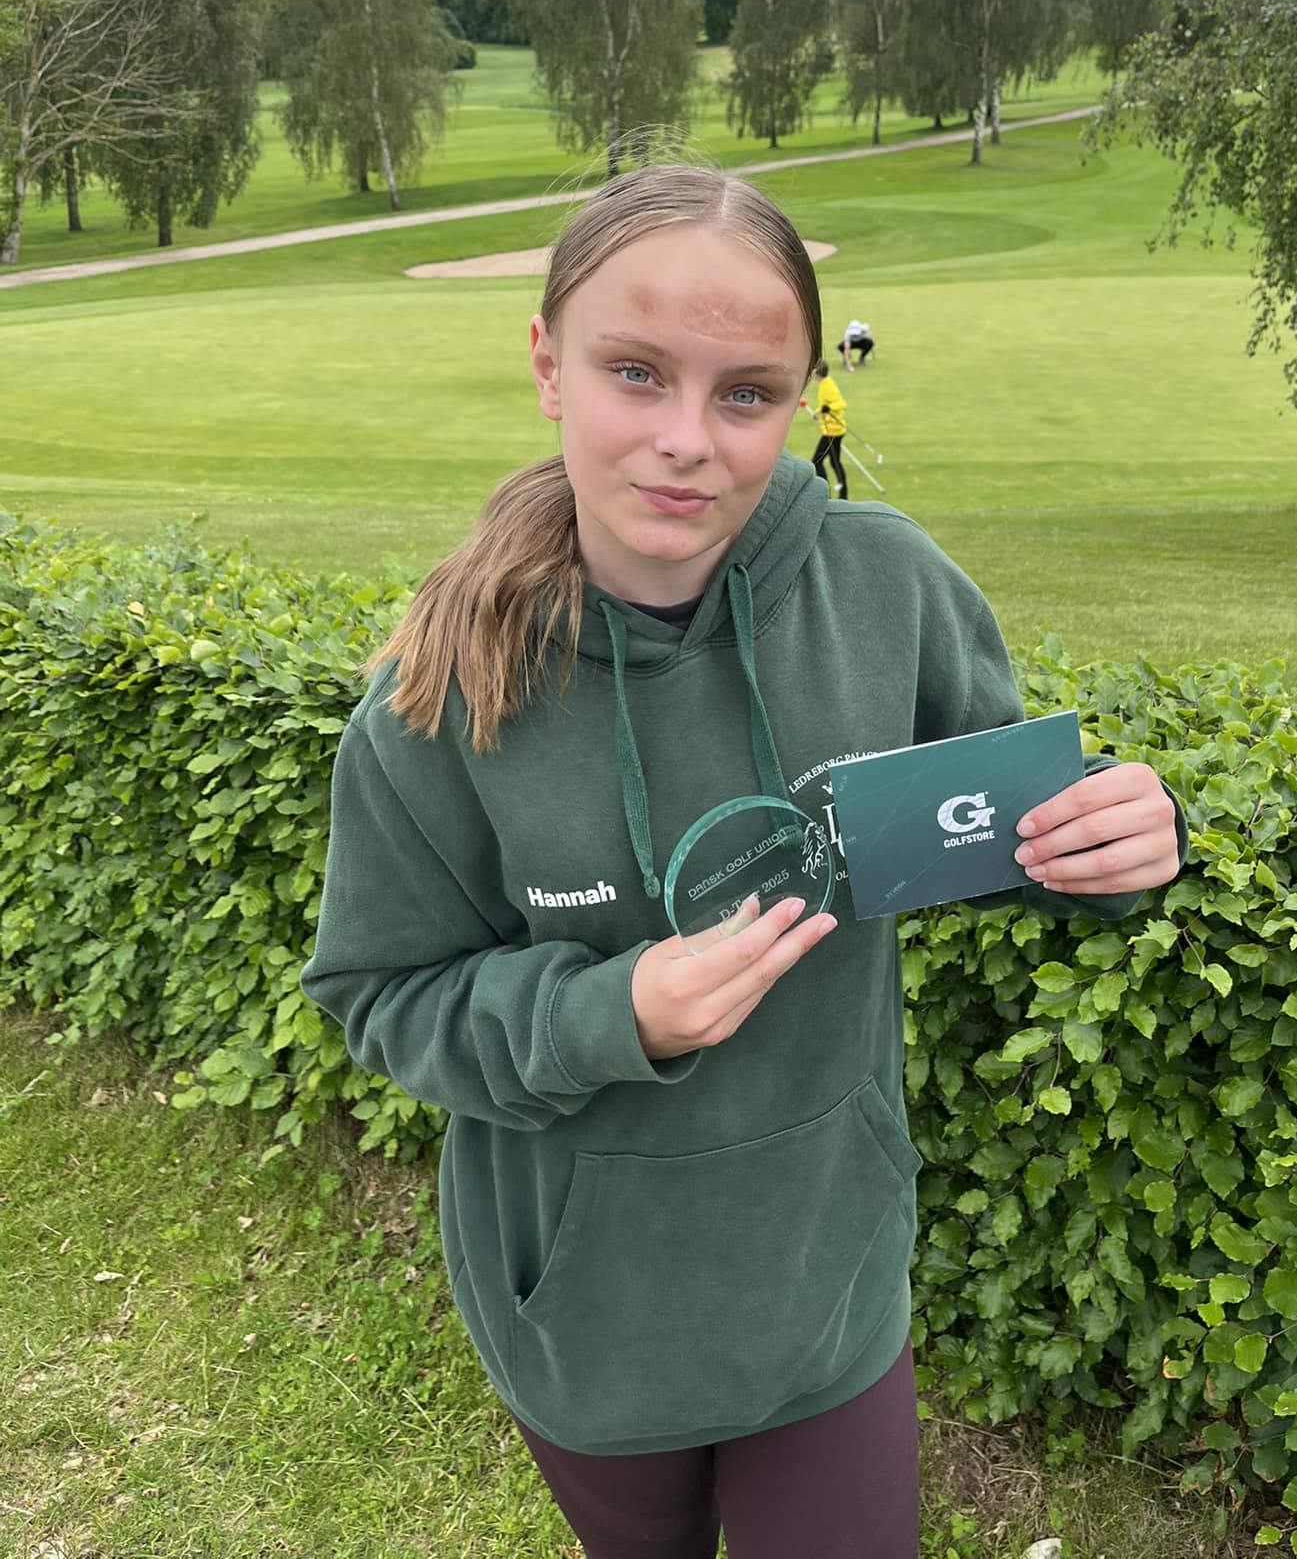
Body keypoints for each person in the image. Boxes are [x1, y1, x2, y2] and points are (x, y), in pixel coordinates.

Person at [299, 163, 1187, 1559]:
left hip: (825, 1282)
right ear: (547, 364)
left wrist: (1116, 842)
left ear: (800, 396)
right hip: (585, 1311)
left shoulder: (886, 587)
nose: (686, 442)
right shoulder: (444, 694)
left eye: (748, 393)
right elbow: (381, 992)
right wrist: (610, 1012)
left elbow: (1007, 824)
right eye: (635, 373)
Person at [806, 357, 849, 499]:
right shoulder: (825, 383)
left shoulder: (827, 386)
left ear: (816, 372)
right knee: (834, 462)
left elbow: (841, 404)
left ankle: (827, 495)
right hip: (832, 430)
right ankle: (842, 495)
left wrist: (828, 408)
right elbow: (825, 405)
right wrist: (818, 412)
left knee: (817, 461)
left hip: (833, 431)